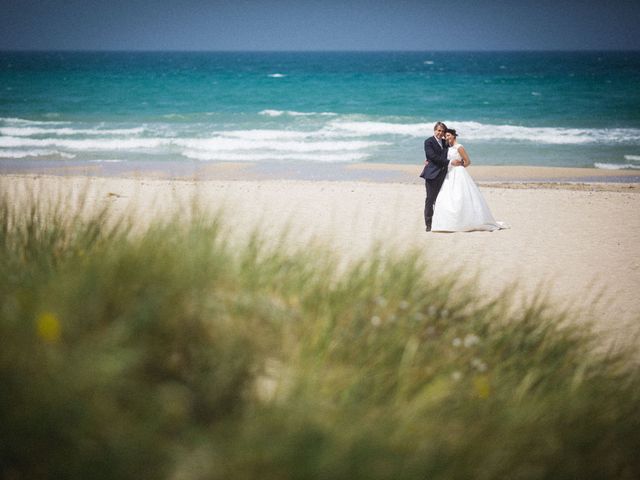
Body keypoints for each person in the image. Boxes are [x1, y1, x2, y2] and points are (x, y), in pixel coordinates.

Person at [431, 128, 508, 232]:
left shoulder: (459, 147)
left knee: (461, 196)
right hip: (449, 174)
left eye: (448, 135)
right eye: (446, 136)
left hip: (459, 173)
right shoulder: (448, 148)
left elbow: (468, 161)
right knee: (446, 197)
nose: (447, 137)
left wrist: (460, 165)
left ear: (454, 136)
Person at [420, 122, 462, 231]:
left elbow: (453, 151)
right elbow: (432, 156)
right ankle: (429, 225)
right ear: (434, 130)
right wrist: (449, 162)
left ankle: (441, 222)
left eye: (442, 131)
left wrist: (460, 161)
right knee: (430, 200)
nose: (440, 133)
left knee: (442, 199)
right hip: (432, 174)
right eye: (438, 130)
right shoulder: (428, 141)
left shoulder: (445, 142)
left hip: (444, 175)